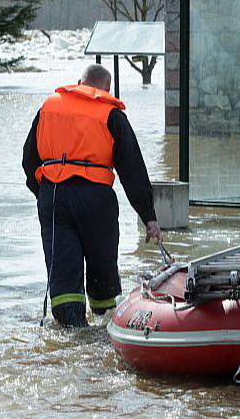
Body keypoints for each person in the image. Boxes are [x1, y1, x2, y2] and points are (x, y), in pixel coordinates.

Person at [22, 64, 161, 327]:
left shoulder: (49, 107)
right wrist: (148, 217)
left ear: (79, 82)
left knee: (62, 266)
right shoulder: (111, 115)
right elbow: (133, 170)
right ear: (106, 90)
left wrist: (44, 195)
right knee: (102, 263)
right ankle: (103, 322)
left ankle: (69, 329)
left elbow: (29, 160)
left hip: (54, 197)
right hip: (96, 198)